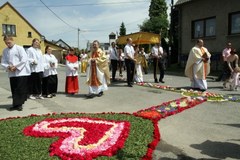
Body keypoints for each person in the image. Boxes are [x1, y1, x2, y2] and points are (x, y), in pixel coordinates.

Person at [1, 35, 31, 111]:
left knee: (20, 88)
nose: (8, 44)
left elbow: (24, 59)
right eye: (6, 43)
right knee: (14, 88)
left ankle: (19, 105)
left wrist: (16, 67)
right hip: (11, 72)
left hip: (21, 72)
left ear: (12, 40)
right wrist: (8, 67)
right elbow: (3, 62)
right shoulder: (5, 51)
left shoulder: (19, 48)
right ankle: (15, 104)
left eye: (9, 42)